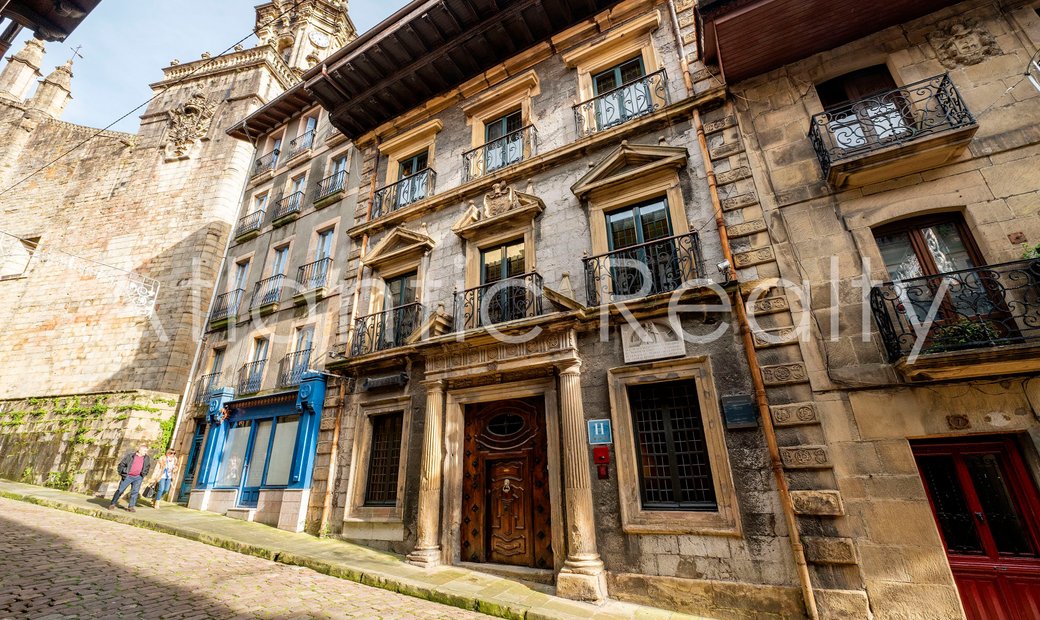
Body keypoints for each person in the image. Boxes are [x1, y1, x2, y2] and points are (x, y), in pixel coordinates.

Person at [108, 444, 152, 512]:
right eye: (144, 451)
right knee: (120, 490)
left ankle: (131, 507)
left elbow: (147, 466)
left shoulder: (146, 458)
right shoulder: (130, 456)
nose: (145, 452)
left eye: (146, 451)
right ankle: (113, 503)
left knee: (135, 492)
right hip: (128, 476)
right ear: (139, 450)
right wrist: (123, 473)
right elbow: (121, 464)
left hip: (138, 477)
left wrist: (144, 474)